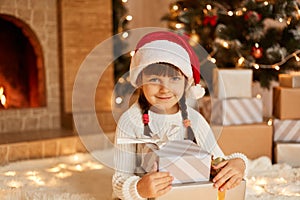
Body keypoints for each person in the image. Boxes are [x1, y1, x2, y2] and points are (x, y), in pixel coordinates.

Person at [112, 31, 247, 200]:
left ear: (186, 83)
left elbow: (218, 160)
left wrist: (239, 164)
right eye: (154, 79)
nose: (164, 89)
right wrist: (138, 189)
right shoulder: (130, 122)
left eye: (174, 79)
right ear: (140, 81)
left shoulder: (194, 120)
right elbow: (119, 180)